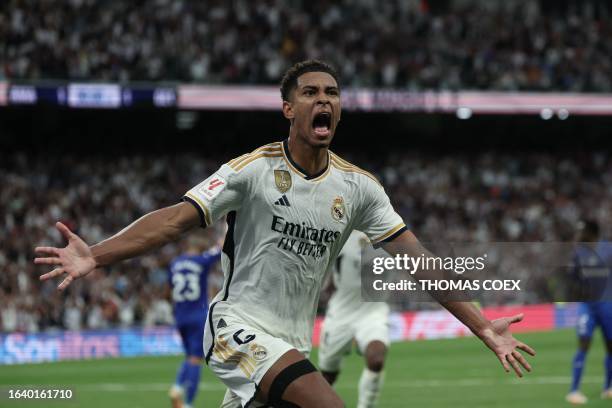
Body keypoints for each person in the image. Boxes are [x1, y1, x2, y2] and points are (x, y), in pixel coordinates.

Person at [35, 60, 535, 408]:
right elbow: (174, 219)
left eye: (332, 94)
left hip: (292, 339)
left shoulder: (359, 188)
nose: (324, 100)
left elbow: (419, 261)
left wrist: (483, 325)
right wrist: (96, 256)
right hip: (235, 328)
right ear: (289, 110)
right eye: (311, 93)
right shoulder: (251, 171)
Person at [318, 230, 389, 407]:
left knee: (376, 359)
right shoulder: (339, 231)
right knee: (327, 376)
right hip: (341, 313)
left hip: (372, 312)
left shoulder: (387, 230)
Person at [168, 235, 222, 408]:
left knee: (189, 356)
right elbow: (219, 251)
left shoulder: (174, 264)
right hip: (197, 316)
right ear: (198, 248)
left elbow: (169, 289)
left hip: (180, 316)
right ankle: (188, 403)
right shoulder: (201, 261)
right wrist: (223, 237)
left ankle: (177, 386)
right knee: (195, 359)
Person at [566, 220, 612, 404]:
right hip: (588, 306)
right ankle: (574, 390)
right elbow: (572, 278)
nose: (578, 234)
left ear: (592, 232)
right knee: (583, 343)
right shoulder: (578, 252)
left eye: (582, 231)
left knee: (610, 346)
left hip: (607, 305)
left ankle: (608, 387)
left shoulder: (608, 249)